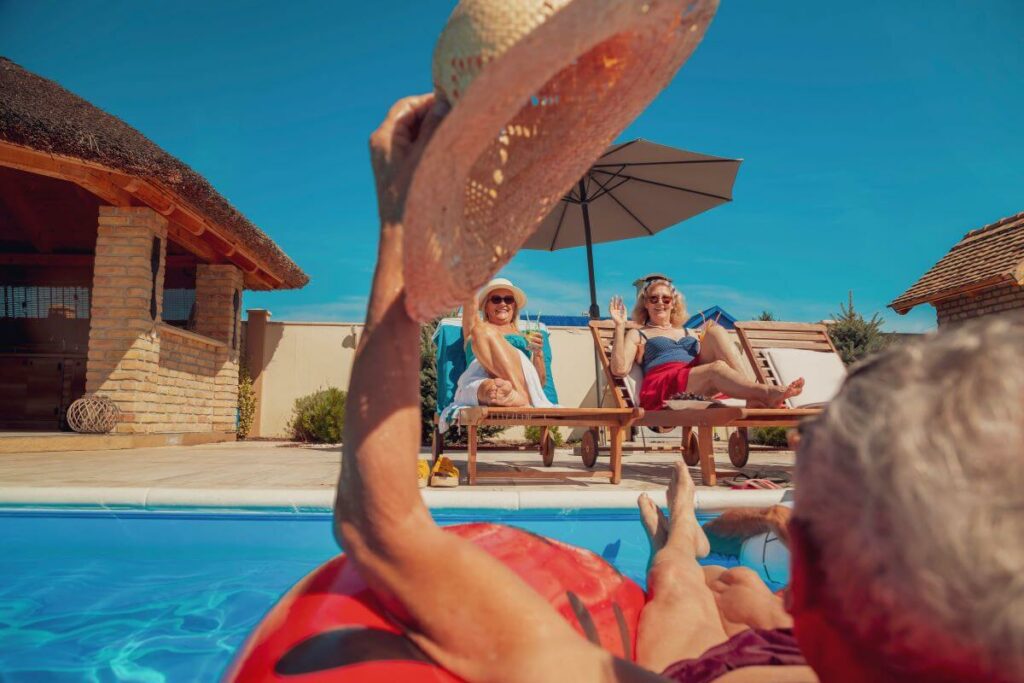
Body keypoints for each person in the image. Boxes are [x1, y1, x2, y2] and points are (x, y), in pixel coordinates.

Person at [335, 93, 1023, 683]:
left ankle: (681, 529)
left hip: (744, 600)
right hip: (670, 396)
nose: (662, 299)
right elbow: (624, 370)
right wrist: (624, 334)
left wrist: (403, 220)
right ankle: (697, 518)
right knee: (750, 586)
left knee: (689, 589)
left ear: (813, 576)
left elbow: (383, 526)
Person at [608, 281, 804, 410]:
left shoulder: (688, 332)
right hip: (664, 385)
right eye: (654, 299)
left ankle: (751, 395)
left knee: (715, 330)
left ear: (673, 304)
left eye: (666, 299)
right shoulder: (638, 333)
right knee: (716, 369)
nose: (660, 303)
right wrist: (619, 326)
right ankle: (766, 392)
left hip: (693, 377)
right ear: (646, 304)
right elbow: (619, 369)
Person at [454, 278, 552, 407]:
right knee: (491, 389)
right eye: (496, 299)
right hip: (478, 379)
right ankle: (508, 394)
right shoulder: (475, 329)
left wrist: (538, 354)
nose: (503, 304)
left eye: (508, 300)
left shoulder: (526, 337)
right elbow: (470, 303)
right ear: (486, 307)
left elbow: (538, 384)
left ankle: (519, 394)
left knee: (482, 331)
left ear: (514, 307)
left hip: (520, 383)